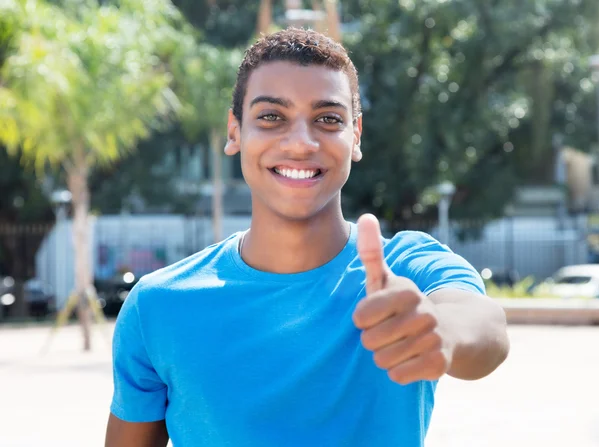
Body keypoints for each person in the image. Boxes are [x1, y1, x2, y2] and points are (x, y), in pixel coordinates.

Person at [105, 28, 509, 447]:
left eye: (328, 119)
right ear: (234, 131)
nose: (300, 143)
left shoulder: (406, 267)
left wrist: (437, 330)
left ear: (355, 136)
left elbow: (486, 328)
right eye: (271, 117)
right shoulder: (158, 305)